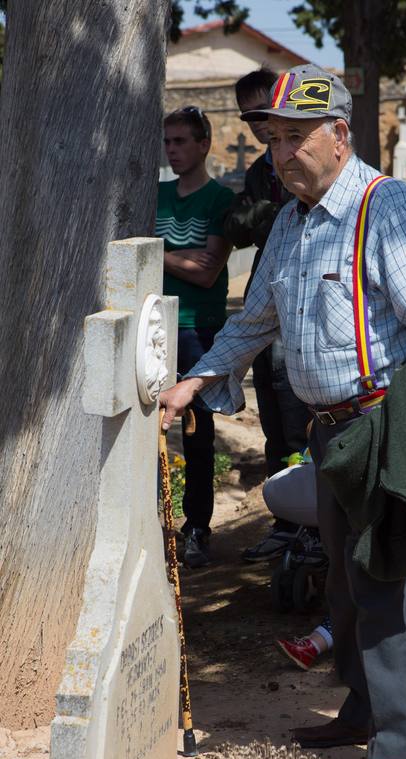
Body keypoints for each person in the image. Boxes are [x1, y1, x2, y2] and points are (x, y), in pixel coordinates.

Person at [160, 64, 406, 759]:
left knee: (390, 588)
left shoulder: (384, 205)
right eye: (273, 140)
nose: (281, 154)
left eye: (296, 138)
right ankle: (364, 711)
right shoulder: (293, 222)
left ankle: (405, 753)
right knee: (344, 584)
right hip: (329, 432)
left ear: (340, 134)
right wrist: (197, 382)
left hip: (387, 426)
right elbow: (254, 319)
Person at [224, 68, 313, 563]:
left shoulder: (302, 159)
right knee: (275, 416)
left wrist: (259, 215)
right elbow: (237, 227)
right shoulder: (261, 171)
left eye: (266, 111)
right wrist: (258, 214)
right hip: (267, 292)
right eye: (252, 117)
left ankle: (311, 524)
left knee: (297, 407)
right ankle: (286, 521)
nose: (260, 125)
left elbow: (282, 216)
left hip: (300, 299)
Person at [156, 107, 234, 567]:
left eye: (181, 141)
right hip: (154, 326)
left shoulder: (220, 201)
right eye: (168, 141)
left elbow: (208, 272)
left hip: (197, 327)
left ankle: (197, 526)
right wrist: (183, 255)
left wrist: (157, 249)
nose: (172, 150)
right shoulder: (156, 194)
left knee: (198, 430)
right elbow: (194, 260)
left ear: (204, 144)